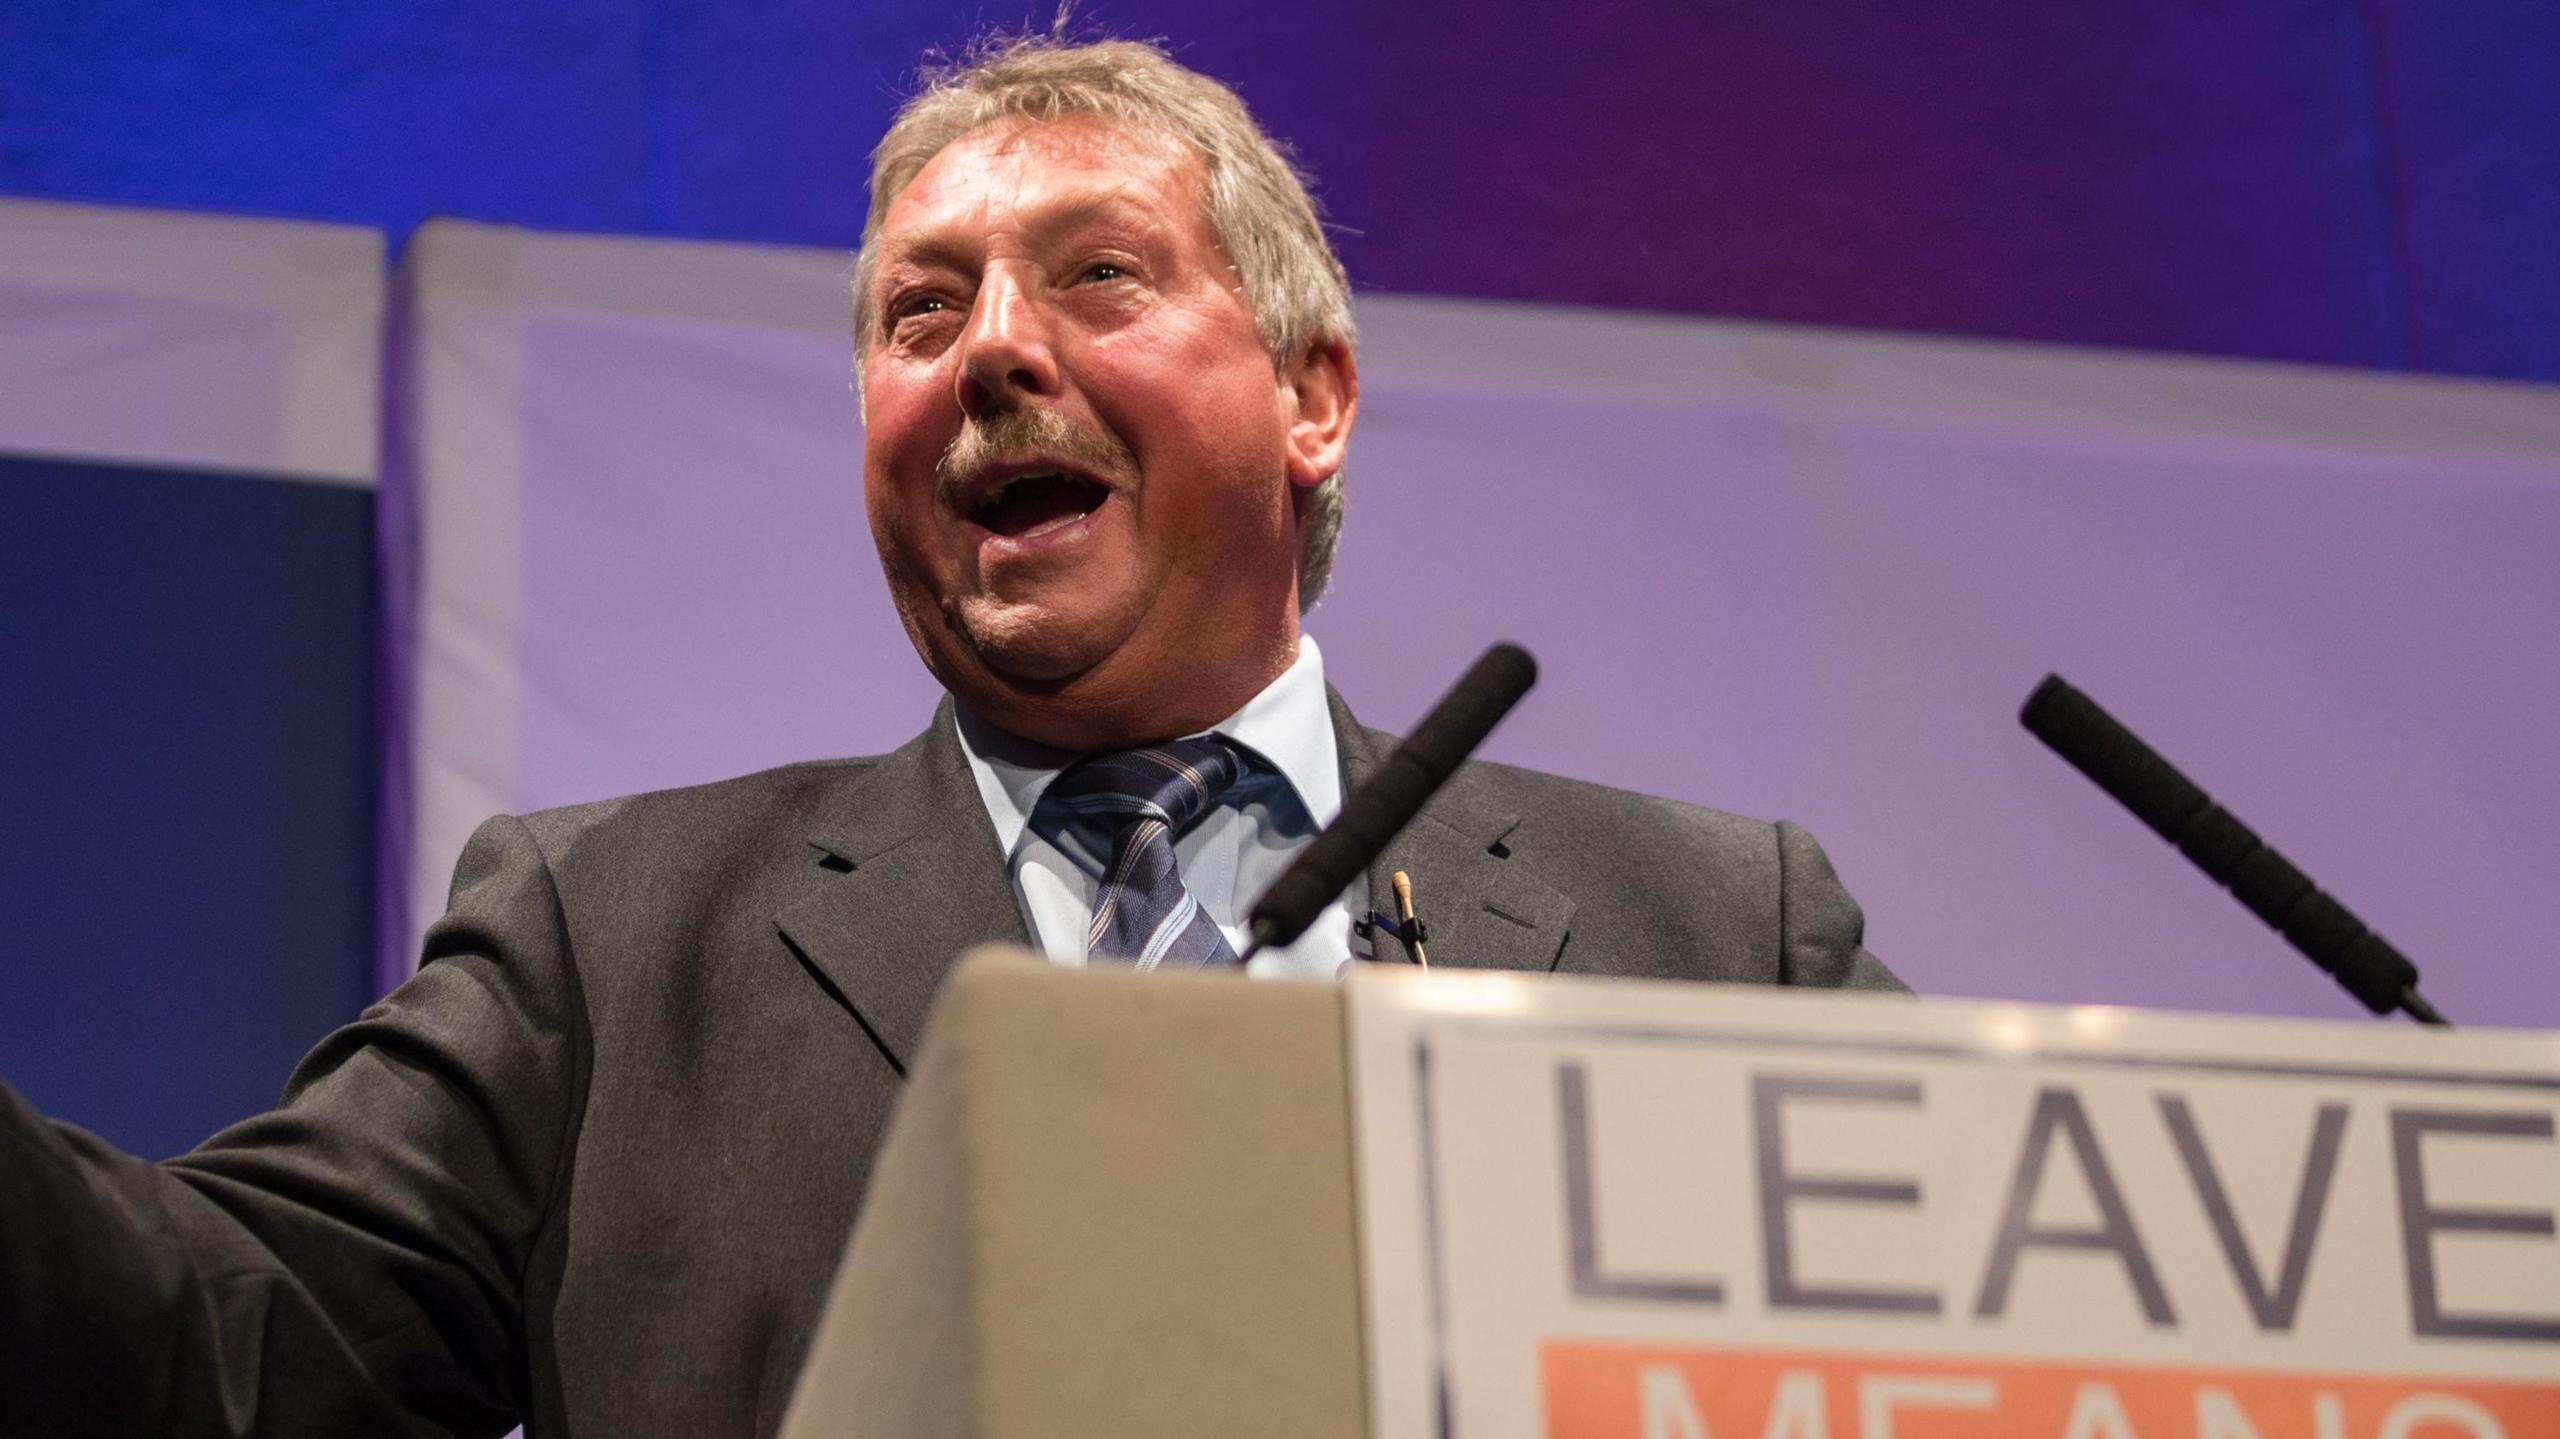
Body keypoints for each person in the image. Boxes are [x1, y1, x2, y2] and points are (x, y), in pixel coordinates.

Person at [0, 31, 1903, 1439]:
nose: (993, 350)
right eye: (923, 311)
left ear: (1313, 398)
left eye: (1097, 275)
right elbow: (219, 1337)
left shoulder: (1713, 933)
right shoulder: (612, 942)